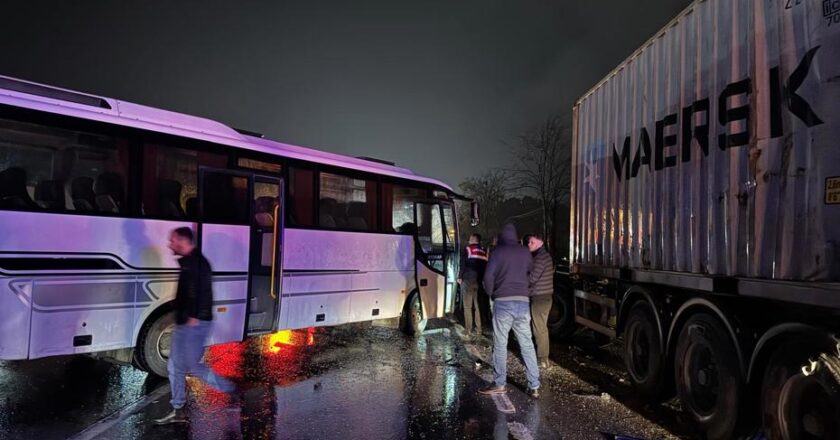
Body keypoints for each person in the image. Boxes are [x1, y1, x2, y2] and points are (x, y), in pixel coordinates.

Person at [155, 227, 238, 425]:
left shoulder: (197, 264)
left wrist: (194, 316)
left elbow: (203, 293)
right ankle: (178, 410)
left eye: (173, 240)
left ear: (183, 241)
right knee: (174, 365)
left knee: (193, 366)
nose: (170, 244)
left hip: (194, 323)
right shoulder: (188, 263)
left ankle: (230, 390)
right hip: (185, 321)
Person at [479, 223, 541, 398]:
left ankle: (499, 383)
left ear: (502, 236)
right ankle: (534, 385)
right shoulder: (524, 252)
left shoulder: (498, 252)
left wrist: (492, 294)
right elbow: (531, 271)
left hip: (503, 302)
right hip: (522, 302)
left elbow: (488, 276)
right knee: (527, 344)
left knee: (500, 344)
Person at [528, 234, 554, 369]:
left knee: (539, 328)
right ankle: (542, 357)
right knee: (540, 327)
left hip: (540, 298)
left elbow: (532, 278)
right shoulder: (543, 256)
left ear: (539, 243)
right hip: (543, 296)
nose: (529, 245)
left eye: (532, 242)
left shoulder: (540, 258)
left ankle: (543, 359)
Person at [458, 233, 488, 338]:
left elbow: (463, 264)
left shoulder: (468, 249)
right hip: (479, 282)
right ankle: (479, 329)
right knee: (478, 306)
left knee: (467, 306)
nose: (468, 241)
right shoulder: (483, 251)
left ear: (472, 240)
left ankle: (468, 329)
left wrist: (459, 277)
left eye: (470, 239)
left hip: (468, 280)